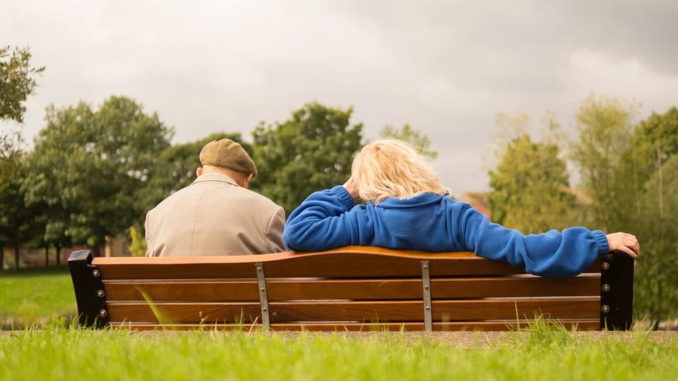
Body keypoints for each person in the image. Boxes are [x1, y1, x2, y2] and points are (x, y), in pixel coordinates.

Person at [283, 139, 639, 277]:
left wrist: (347, 192)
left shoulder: (363, 221)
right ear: (415, 169)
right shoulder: (458, 217)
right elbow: (521, 249)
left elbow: (297, 232)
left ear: (368, 184)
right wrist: (596, 242)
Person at [145, 138, 286, 257]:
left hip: (169, 291)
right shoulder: (268, 212)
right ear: (246, 178)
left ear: (199, 172)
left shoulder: (155, 215)